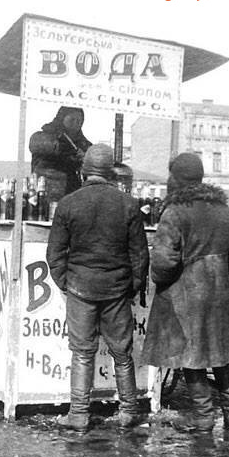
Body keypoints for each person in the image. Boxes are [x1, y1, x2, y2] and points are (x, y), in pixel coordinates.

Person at [46, 144, 149, 432]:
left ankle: (78, 415)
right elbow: (140, 255)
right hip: (116, 289)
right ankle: (129, 410)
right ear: (111, 174)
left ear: (83, 172)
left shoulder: (68, 204)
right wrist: (132, 286)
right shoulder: (128, 204)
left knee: (82, 352)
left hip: (80, 288)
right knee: (122, 353)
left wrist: (66, 282)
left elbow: (55, 253)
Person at [142, 153, 229, 432]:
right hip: (218, 294)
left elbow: (164, 261)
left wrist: (160, 279)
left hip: (184, 295)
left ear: (176, 179)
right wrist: (221, 272)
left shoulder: (175, 212)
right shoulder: (224, 211)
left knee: (191, 356)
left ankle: (203, 416)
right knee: (222, 354)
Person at [29, 106, 92, 202]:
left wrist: (86, 157)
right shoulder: (42, 136)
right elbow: (39, 144)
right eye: (72, 119)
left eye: (80, 121)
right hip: (45, 192)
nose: (76, 123)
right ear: (62, 118)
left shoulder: (84, 144)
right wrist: (67, 149)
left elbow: (95, 159)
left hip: (72, 194)